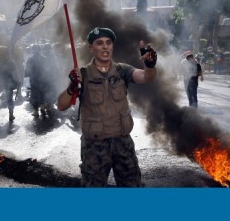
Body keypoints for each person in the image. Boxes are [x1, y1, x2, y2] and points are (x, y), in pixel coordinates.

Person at [56, 27, 157, 187]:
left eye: (108, 43)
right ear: (91, 48)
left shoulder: (122, 70)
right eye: (99, 43)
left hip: (123, 144)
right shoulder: (83, 75)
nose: (105, 47)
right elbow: (61, 105)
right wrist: (72, 87)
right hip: (95, 148)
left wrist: (149, 65)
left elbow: (146, 77)